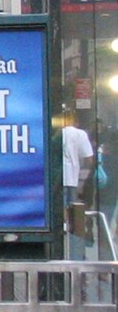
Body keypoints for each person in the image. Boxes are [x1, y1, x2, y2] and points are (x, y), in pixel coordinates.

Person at [63, 109, 94, 259]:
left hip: (56, 180)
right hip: (72, 179)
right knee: (74, 214)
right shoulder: (80, 134)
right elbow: (89, 157)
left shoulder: (56, 133)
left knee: (60, 211)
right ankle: (76, 250)